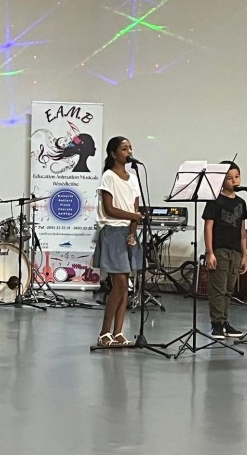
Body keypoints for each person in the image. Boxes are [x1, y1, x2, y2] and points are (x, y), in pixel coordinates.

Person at [93, 136, 143, 347]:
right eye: (124, 149)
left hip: (127, 233)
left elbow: (135, 209)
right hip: (112, 232)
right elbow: (109, 209)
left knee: (125, 287)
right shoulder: (108, 176)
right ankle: (104, 332)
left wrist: (133, 232)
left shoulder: (133, 179)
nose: (129, 152)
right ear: (113, 153)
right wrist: (134, 217)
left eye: (130, 148)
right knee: (120, 284)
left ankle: (118, 332)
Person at [202, 161, 247, 340]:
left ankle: (225, 320)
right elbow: (208, 227)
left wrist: (244, 255)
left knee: (229, 289)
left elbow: (243, 231)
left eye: (236, 177)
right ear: (221, 180)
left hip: (235, 251)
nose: (234, 181)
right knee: (218, 289)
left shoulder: (241, 202)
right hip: (219, 249)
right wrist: (209, 252)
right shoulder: (214, 200)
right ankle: (216, 323)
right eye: (229, 178)